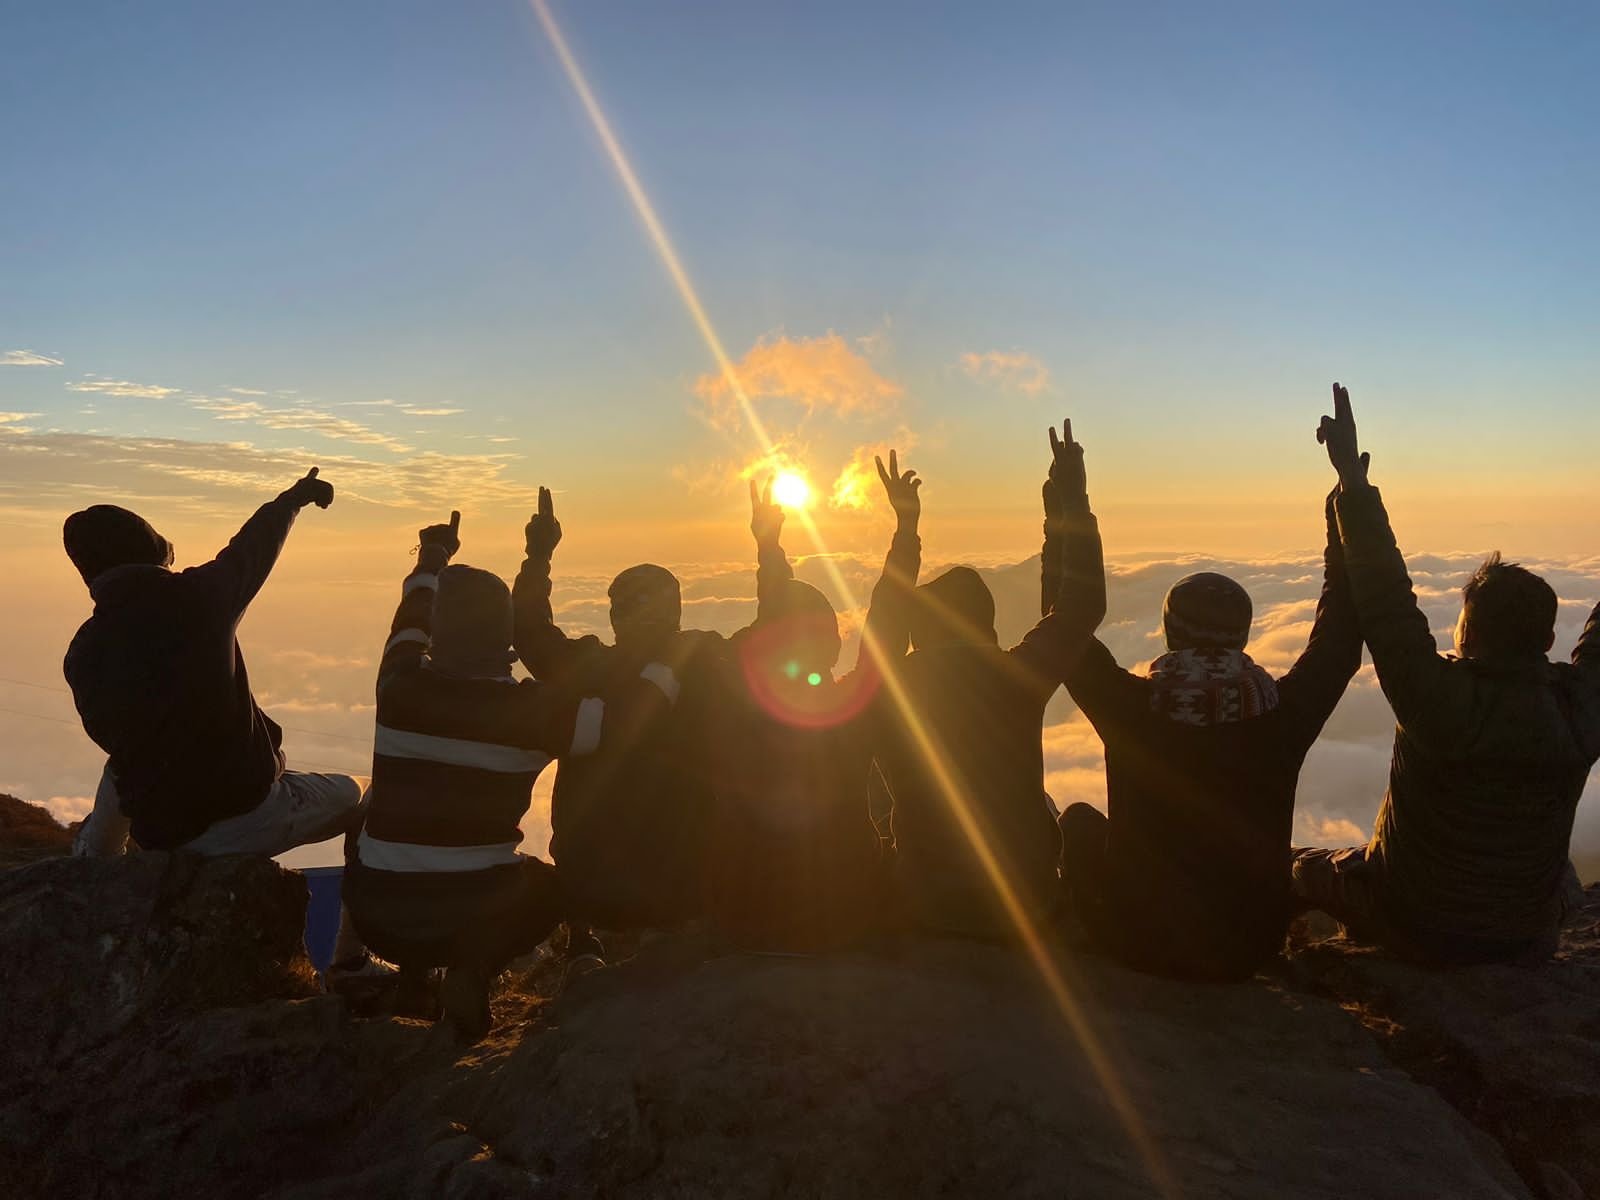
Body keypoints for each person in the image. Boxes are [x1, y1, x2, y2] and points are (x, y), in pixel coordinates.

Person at [1291, 384, 1598, 965]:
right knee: (1562, 878)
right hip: (1525, 936)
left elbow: (1384, 596)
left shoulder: (1432, 696)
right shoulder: (1581, 709)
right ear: (1550, 640)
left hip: (1411, 921)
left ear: (1468, 635)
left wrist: (1351, 486)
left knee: (1299, 866)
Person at [1055, 404, 1362, 980]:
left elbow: (1065, 625)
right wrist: (1344, 499)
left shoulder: (1132, 708)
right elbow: (1341, 636)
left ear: (1170, 630)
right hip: (1247, 947)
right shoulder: (1281, 716)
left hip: (1134, 939)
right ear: (1244, 633)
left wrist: (1069, 510)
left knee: (1075, 820)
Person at [343, 512, 603, 1040]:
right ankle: (471, 974)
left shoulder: (398, 685)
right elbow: (614, 725)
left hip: (377, 915)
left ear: (441, 632)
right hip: (471, 919)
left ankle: (411, 978)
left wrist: (435, 556)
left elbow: (410, 617)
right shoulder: (538, 713)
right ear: (504, 634)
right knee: (552, 887)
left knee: (372, 809)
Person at [511, 480, 792, 955]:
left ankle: (585, 944)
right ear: (677, 612)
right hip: (688, 891)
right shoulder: (706, 661)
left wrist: (539, 554)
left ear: (616, 617)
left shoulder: (584, 669)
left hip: (590, 888)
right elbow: (776, 628)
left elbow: (528, 630)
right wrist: (769, 547)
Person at [63, 469, 365, 869]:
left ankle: (98, 860)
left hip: (161, 832)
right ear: (152, 553)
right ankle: (360, 922)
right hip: (251, 816)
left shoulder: (83, 652)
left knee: (127, 759)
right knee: (362, 793)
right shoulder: (201, 597)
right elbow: (253, 546)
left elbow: (117, 745)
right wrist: (293, 499)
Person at [873, 426, 1102, 941]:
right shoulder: (1016, 674)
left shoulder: (894, 684)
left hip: (925, 905)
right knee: (1051, 810)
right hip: (1027, 906)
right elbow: (1080, 608)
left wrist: (906, 529)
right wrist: (1069, 511)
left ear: (916, 631)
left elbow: (883, 624)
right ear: (986, 623)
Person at [707, 455, 921, 952]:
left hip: (750, 918)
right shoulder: (852, 706)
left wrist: (768, 548)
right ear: (830, 645)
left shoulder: (735, 704)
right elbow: (888, 619)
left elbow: (776, 624)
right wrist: (906, 528)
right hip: (847, 913)